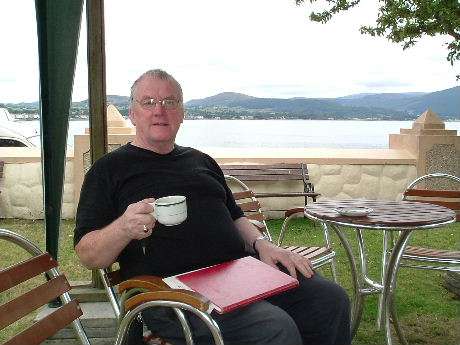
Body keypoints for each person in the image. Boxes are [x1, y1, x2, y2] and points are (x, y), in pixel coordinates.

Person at [74, 69, 351, 345]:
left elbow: (235, 216)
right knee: (274, 327)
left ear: (181, 113)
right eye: (148, 102)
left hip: (238, 275)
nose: (160, 110)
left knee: (329, 300)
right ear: (132, 113)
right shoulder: (108, 170)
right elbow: (88, 254)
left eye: (170, 102)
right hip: (172, 296)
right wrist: (123, 227)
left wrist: (262, 245)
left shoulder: (201, 161)